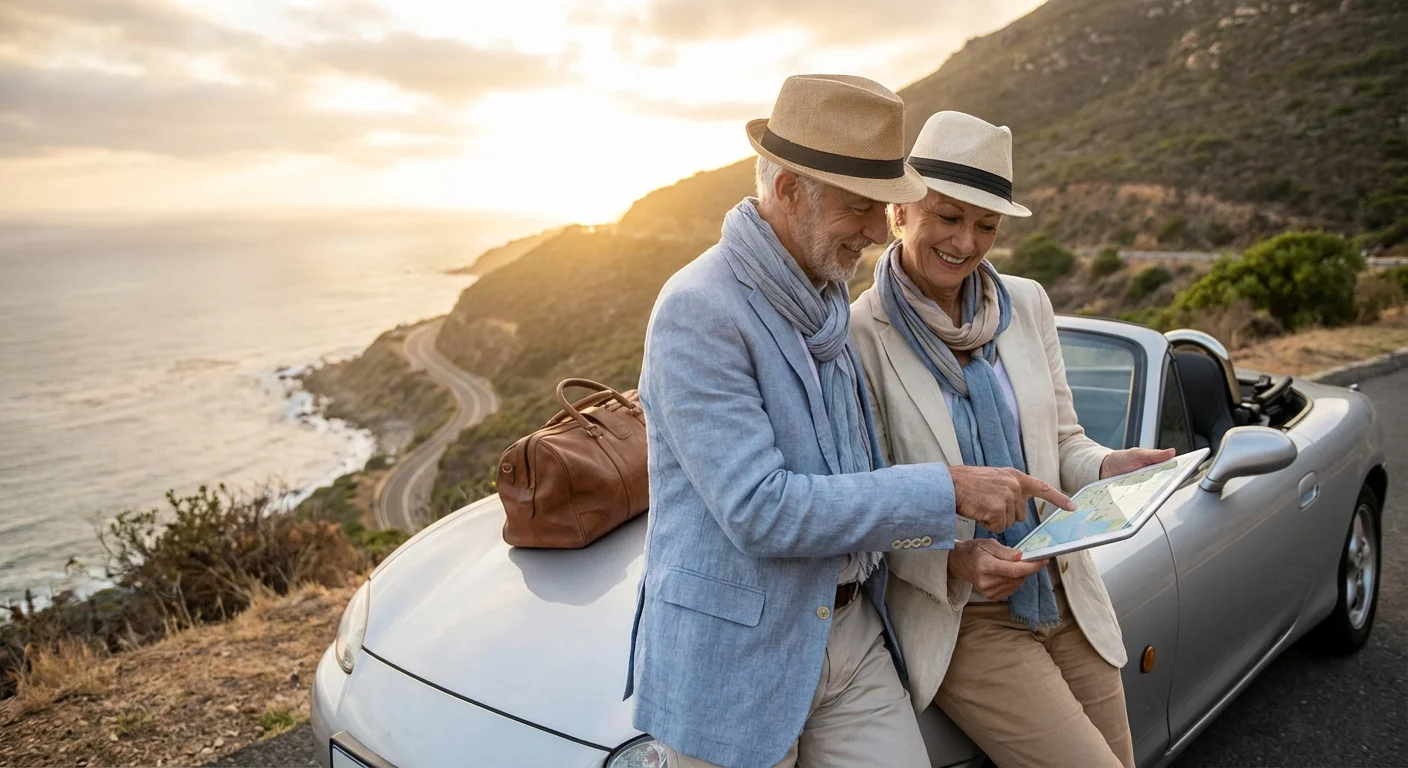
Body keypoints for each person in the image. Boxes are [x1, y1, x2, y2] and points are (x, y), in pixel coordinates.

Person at [625, 77, 1075, 768]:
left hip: (850, 631)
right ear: (787, 193)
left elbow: (861, 478)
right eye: (859, 207)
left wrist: (950, 553)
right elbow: (761, 510)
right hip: (737, 655)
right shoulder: (698, 309)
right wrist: (950, 488)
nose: (875, 230)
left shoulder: (828, 295)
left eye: (882, 207)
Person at [850, 110, 1175, 768]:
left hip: (1066, 591)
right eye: (948, 216)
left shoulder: (1026, 304)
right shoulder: (859, 336)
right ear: (900, 213)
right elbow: (868, 503)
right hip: (964, 616)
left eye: (986, 225)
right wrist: (955, 558)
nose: (966, 242)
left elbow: (1063, 445)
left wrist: (1113, 465)